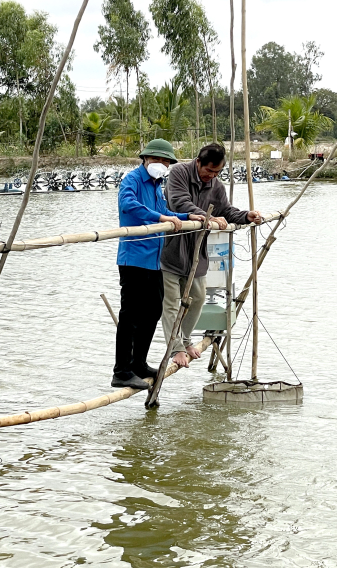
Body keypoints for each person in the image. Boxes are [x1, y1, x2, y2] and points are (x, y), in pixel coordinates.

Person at [112, 139, 205, 389]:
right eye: (157, 159)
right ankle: (121, 370)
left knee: (153, 312)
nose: (161, 164)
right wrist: (160, 217)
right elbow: (129, 205)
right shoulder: (132, 180)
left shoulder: (156, 185)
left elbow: (165, 210)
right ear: (145, 159)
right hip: (134, 258)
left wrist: (186, 216)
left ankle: (138, 363)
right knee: (130, 315)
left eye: (166, 161)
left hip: (154, 260)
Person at [160, 143, 263, 368]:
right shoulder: (179, 173)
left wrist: (246, 216)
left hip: (197, 251)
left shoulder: (216, 186)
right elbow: (179, 202)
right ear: (198, 162)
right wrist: (207, 218)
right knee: (170, 303)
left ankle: (186, 340)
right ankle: (175, 347)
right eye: (209, 171)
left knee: (197, 298)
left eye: (217, 172)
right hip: (170, 248)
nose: (212, 176)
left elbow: (225, 210)